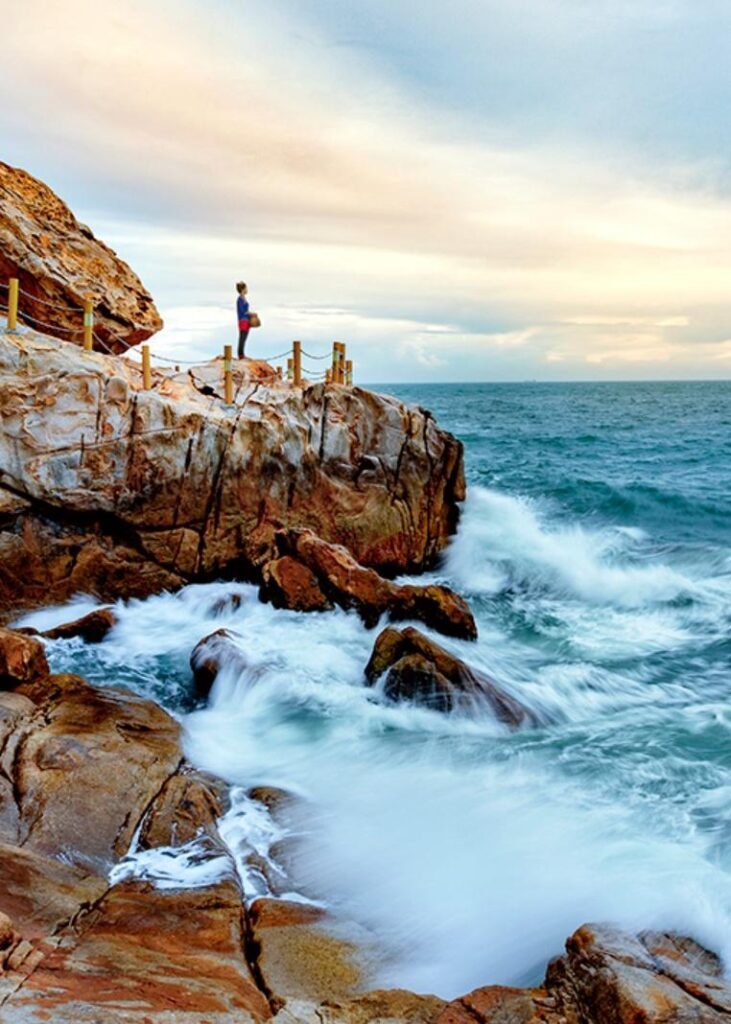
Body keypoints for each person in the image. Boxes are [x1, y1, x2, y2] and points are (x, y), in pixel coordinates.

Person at [236, 281, 250, 358]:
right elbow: (242, 311)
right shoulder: (240, 299)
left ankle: (242, 353)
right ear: (243, 289)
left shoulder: (244, 299)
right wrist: (250, 313)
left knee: (244, 337)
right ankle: (240, 354)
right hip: (242, 320)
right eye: (246, 288)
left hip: (246, 320)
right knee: (242, 337)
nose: (247, 289)